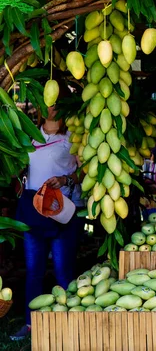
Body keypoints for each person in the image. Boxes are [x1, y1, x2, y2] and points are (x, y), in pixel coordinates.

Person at [11, 82, 83, 341]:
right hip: (32, 209)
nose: (52, 107)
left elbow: (85, 172)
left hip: (61, 210)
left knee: (64, 271)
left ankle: (68, 325)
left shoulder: (72, 138)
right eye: (48, 101)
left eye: (57, 102)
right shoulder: (29, 136)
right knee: (34, 271)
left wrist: (65, 180)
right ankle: (31, 325)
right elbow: (21, 168)